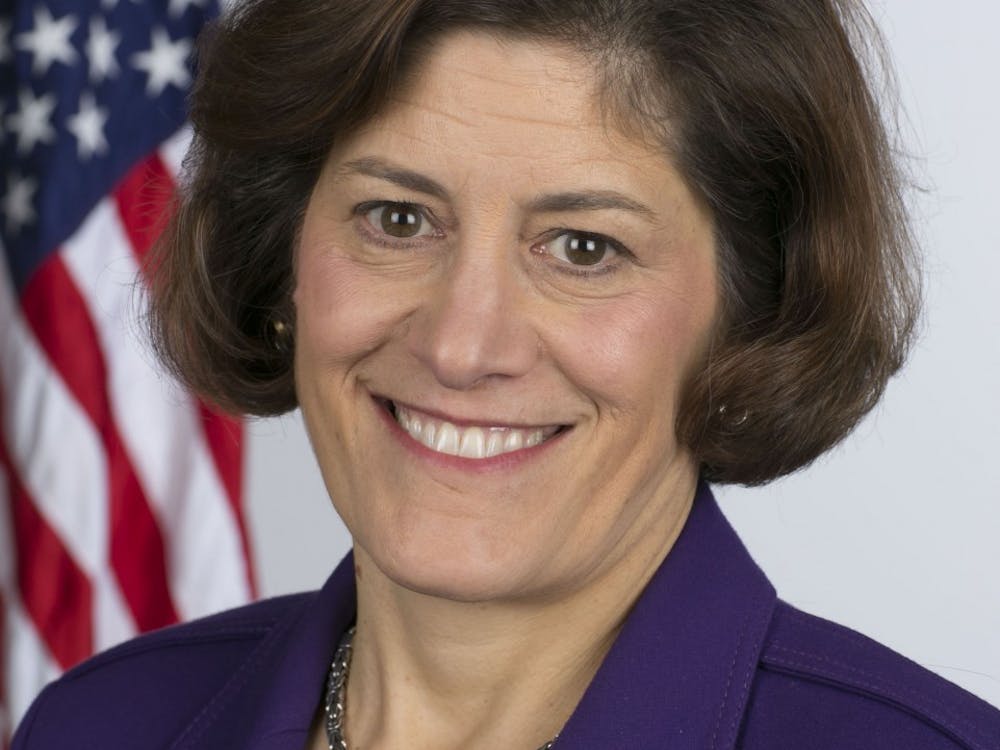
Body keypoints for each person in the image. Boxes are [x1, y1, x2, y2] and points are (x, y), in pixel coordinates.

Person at [12, 0, 1000, 748]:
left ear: (747, 311)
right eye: (396, 220)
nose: (460, 346)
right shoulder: (100, 724)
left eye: (581, 248)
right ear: (280, 261)